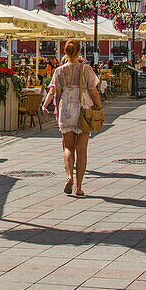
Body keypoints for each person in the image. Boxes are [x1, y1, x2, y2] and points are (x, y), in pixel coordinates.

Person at [41, 40, 101, 197]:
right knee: (82, 150)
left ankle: (69, 177)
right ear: (79, 51)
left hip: (66, 107)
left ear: (66, 52)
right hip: (83, 107)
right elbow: (93, 91)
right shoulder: (86, 69)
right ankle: (79, 187)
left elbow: (56, 91)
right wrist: (99, 107)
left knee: (68, 147)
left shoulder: (59, 71)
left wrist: (48, 105)